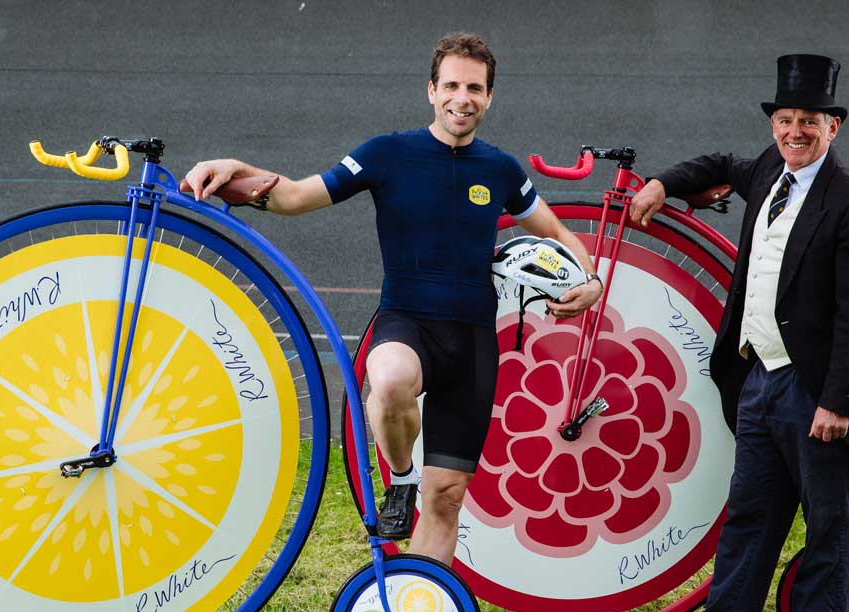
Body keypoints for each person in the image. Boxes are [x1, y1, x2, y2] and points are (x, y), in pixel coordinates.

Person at [180, 32, 603, 566]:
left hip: (472, 343)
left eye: (475, 88)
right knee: (388, 379)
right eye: (451, 84)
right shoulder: (388, 153)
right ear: (431, 90)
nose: (462, 98)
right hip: (407, 322)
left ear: (489, 97)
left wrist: (590, 282)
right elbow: (294, 196)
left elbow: (563, 236)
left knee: (446, 498)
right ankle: (400, 476)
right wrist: (229, 169)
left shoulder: (500, 169)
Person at [630, 54, 849, 612]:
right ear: (775, 125)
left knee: (827, 527)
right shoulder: (769, 169)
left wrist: (838, 403)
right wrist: (660, 183)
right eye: (786, 120)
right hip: (759, 379)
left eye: (810, 122)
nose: (795, 132)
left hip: (815, 390)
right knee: (749, 518)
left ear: (834, 127)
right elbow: (716, 166)